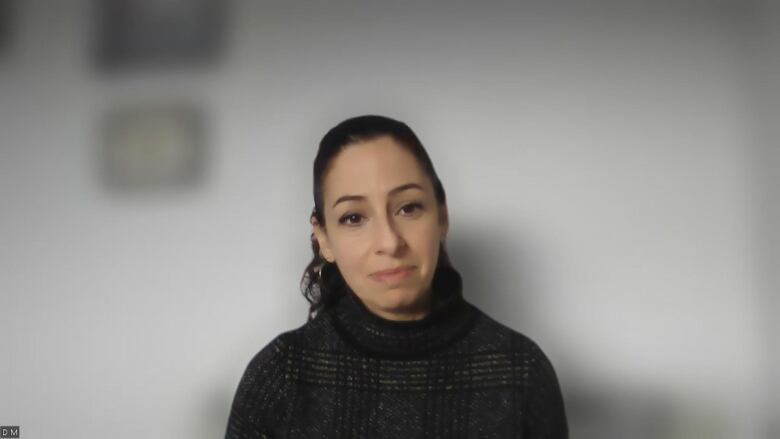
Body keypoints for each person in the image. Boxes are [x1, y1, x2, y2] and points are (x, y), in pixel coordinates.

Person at [225, 115, 569, 438]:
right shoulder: (280, 376)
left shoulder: (520, 371)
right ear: (324, 238)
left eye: (409, 208)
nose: (389, 242)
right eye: (354, 217)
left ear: (442, 216)